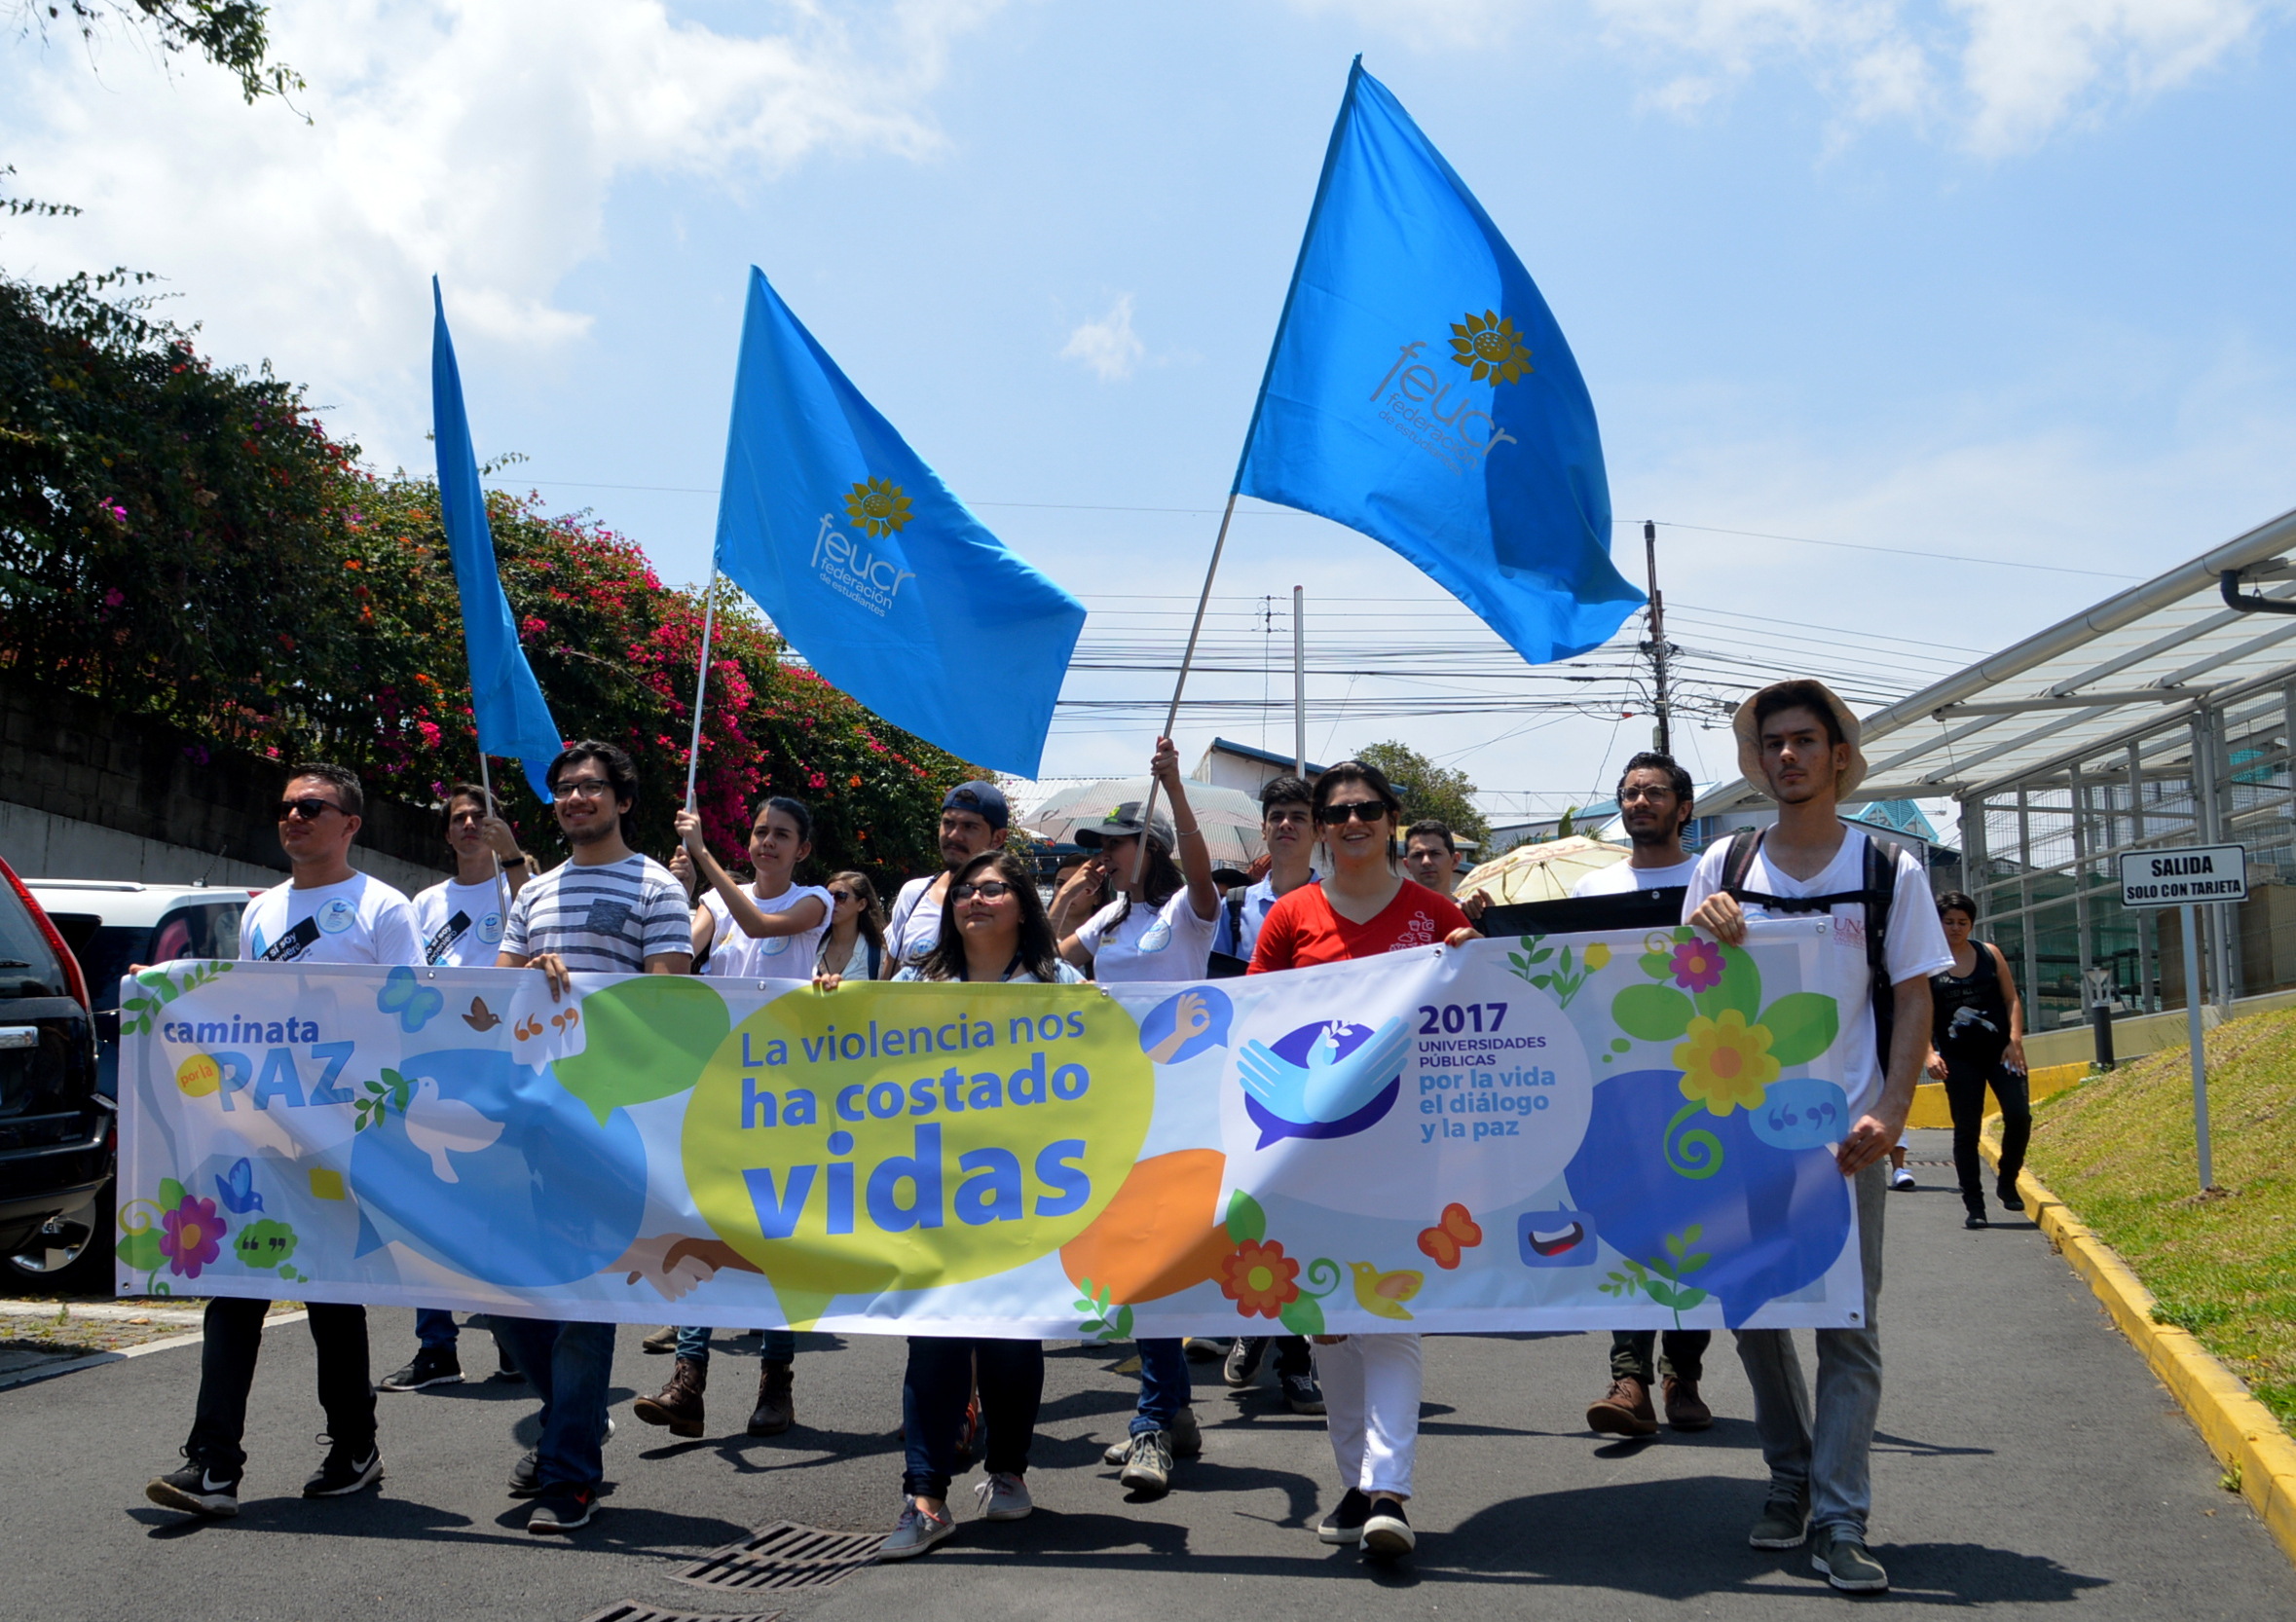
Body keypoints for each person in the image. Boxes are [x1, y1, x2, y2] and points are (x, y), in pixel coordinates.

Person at [1684, 681, 1950, 1595]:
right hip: (1742, 1139)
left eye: (1804, 740)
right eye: (1771, 744)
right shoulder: (1722, 865)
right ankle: (1789, 1477)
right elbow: (1675, 995)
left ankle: (1841, 1516)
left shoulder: (1888, 870)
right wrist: (1703, 936)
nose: (1786, 756)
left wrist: (1895, 1108)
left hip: (1846, 1140)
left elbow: (1914, 992)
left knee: (1849, 1327)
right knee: (1754, 1315)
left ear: (1839, 755)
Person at [146, 763, 422, 1520]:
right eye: (285, 807)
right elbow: (247, 1013)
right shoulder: (261, 910)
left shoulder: (384, 909)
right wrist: (167, 994)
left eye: (311, 807)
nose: (293, 818)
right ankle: (213, 1465)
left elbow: (412, 1019)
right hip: (261, 1130)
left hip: (345, 1137)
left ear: (350, 824)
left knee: (333, 1295)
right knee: (234, 1287)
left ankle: (354, 1447)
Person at [1250, 758, 1473, 1561]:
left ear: (1391, 818)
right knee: (1329, 1325)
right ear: (1318, 822)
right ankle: (1355, 1483)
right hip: (1309, 1158)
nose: (1353, 822)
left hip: (1410, 1151)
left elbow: (1475, 1018)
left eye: (1368, 809)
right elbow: (1251, 1022)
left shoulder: (1436, 914)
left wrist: (1469, 959)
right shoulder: (1288, 917)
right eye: (1337, 811)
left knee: (1393, 1317)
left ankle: (1389, 1492)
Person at [494, 741, 694, 1534]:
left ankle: (569, 1475)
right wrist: (525, 979)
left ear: (622, 800)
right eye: (566, 789)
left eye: (591, 788)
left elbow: (668, 1004)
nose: (576, 799)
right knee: (502, 1294)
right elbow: (496, 993)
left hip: (607, 1128)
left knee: (582, 1301)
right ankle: (569, 1422)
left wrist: (588, 995)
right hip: (530, 1122)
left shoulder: (655, 887)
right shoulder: (532, 893)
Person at [875, 848, 1084, 1560]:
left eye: (995, 888)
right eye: (966, 889)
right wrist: (825, 1001)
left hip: (1027, 1195)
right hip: (931, 1191)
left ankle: (1007, 1472)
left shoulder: (1063, 984)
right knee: (933, 1340)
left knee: (1010, 1344)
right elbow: (854, 1053)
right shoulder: (911, 982)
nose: (977, 898)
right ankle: (923, 1496)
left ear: (1023, 905)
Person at [635, 795, 832, 1443]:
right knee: (704, 1225)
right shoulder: (713, 903)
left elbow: (759, 925)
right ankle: (688, 1380)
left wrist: (701, 857)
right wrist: (675, 897)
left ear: (802, 848)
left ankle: (777, 1381)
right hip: (719, 1092)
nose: (767, 842)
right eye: (758, 831)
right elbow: (675, 960)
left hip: (787, 1101)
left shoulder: (815, 903)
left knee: (774, 1239)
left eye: (781, 835)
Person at [1055, 740, 1220, 1497]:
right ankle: (1173, 1409)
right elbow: (1046, 967)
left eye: (1115, 845)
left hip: (1182, 1104)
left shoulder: (1187, 914)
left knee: (1152, 1264)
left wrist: (1174, 788)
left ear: (1145, 848)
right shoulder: (1111, 919)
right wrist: (1068, 905)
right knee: (1131, 1262)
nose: (1104, 857)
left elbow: (1199, 867)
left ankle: (1153, 1423)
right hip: (1115, 1104)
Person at [1572, 753, 1714, 1437]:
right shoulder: (1593, 888)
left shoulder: (1714, 882)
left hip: (1705, 1087)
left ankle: (1682, 1376)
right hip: (1617, 1088)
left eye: (1655, 792)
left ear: (1683, 807)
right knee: (1630, 1232)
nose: (1639, 803)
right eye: (1629, 793)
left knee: (1694, 1233)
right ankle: (1628, 1379)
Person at [380, 783, 533, 1396]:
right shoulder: (423, 902)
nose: (469, 825)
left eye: (479, 817)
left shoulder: (516, 890)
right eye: (458, 818)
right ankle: (436, 1347)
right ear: (446, 833)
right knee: (429, 1209)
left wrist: (516, 855)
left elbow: (538, 918)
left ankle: (514, 1345)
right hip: (434, 1067)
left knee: (496, 1210)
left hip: (498, 1067)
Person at [1213, 774, 1325, 1411]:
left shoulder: (1335, 902)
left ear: (1315, 831)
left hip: (1317, 1089)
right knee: (1252, 1219)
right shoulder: (1235, 909)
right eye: (1276, 815)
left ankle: (1296, 1357)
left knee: (1303, 1221)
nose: (1286, 825)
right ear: (1263, 827)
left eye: (1297, 817)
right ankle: (1254, 1325)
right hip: (1250, 1083)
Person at [1926, 891, 2030, 1229]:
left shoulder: (1989, 954)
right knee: (1966, 1130)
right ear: (1938, 923)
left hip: (2001, 1052)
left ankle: (2007, 1180)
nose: (1956, 928)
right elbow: (1919, 1014)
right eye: (1949, 922)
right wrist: (1929, 1053)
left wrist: (2015, 1040)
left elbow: (2011, 998)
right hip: (1959, 1059)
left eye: (1963, 922)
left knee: (2019, 1115)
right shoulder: (1927, 963)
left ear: (1971, 924)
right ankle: (1975, 1204)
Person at [884, 781, 1010, 971]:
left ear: (998, 838)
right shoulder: (914, 895)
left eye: (969, 827)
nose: (954, 835)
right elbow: (890, 979)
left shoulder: (1010, 904)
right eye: (948, 823)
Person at [1400, 820, 1461, 897]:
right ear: (1407, 865)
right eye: (1417, 855)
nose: (1426, 862)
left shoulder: (1468, 908)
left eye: (1435, 854)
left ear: (1455, 861)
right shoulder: (1395, 908)